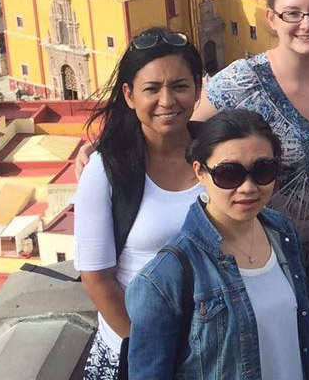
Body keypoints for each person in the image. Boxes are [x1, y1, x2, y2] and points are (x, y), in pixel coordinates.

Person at [192, 0, 309, 377]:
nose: (307, 24)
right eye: (293, 13)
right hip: (271, 268)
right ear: (271, 18)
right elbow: (185, 136)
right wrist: (104, 150)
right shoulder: (241, 82)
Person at [125, 109, 309, 380]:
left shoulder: (282, 233)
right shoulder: (165, 277)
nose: (248, 187)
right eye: (229, 174)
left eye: (263, 170)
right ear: (200, 172)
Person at [74, 29, 204, 380]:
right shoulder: (106, 170)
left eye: (179, 86)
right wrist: (150, 351)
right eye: (152, 89)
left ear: (198, 88)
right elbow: (97, 280)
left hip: (213, 348)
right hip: (137, 354)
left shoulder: (218, 153)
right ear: (129, 96)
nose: (167, 100)